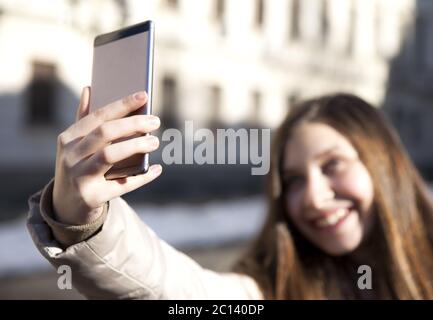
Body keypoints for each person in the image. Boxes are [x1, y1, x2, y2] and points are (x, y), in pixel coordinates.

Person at [27, 87, 433, 299]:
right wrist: (82, 219)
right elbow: (172, 289)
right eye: (292, 181)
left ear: (384, 163)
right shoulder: (272, 288)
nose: (314, 196)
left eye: (333, 166)